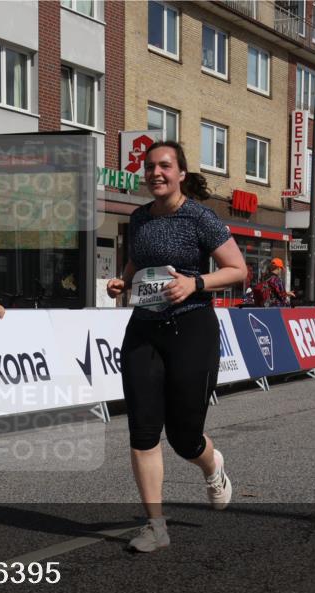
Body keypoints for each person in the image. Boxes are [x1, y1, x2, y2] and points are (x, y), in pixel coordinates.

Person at [105, 141, 248, 553]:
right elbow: (137, 264)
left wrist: (195, 283)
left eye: (164, 166)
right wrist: (122, 282)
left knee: (185, 437)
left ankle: (212, 465)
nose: (156, 173)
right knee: (143, 431)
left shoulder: (199, 217)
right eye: (150, 166)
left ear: (181, 173)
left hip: (191, 329)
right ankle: (156, 526)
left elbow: (237, 269)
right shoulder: (139, 217)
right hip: (144, 329)